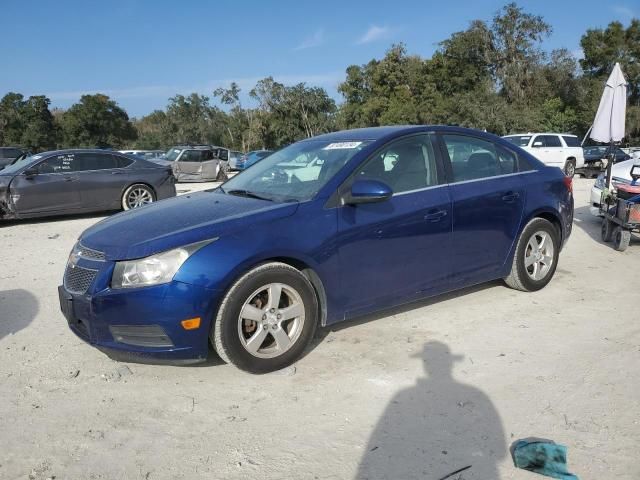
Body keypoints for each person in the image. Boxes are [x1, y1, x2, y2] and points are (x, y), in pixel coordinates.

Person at [357, 341, 506, 479]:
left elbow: (382, 440)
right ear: (450, 364)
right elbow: (500, 451)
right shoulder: (475, 392)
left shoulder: (405, 394)